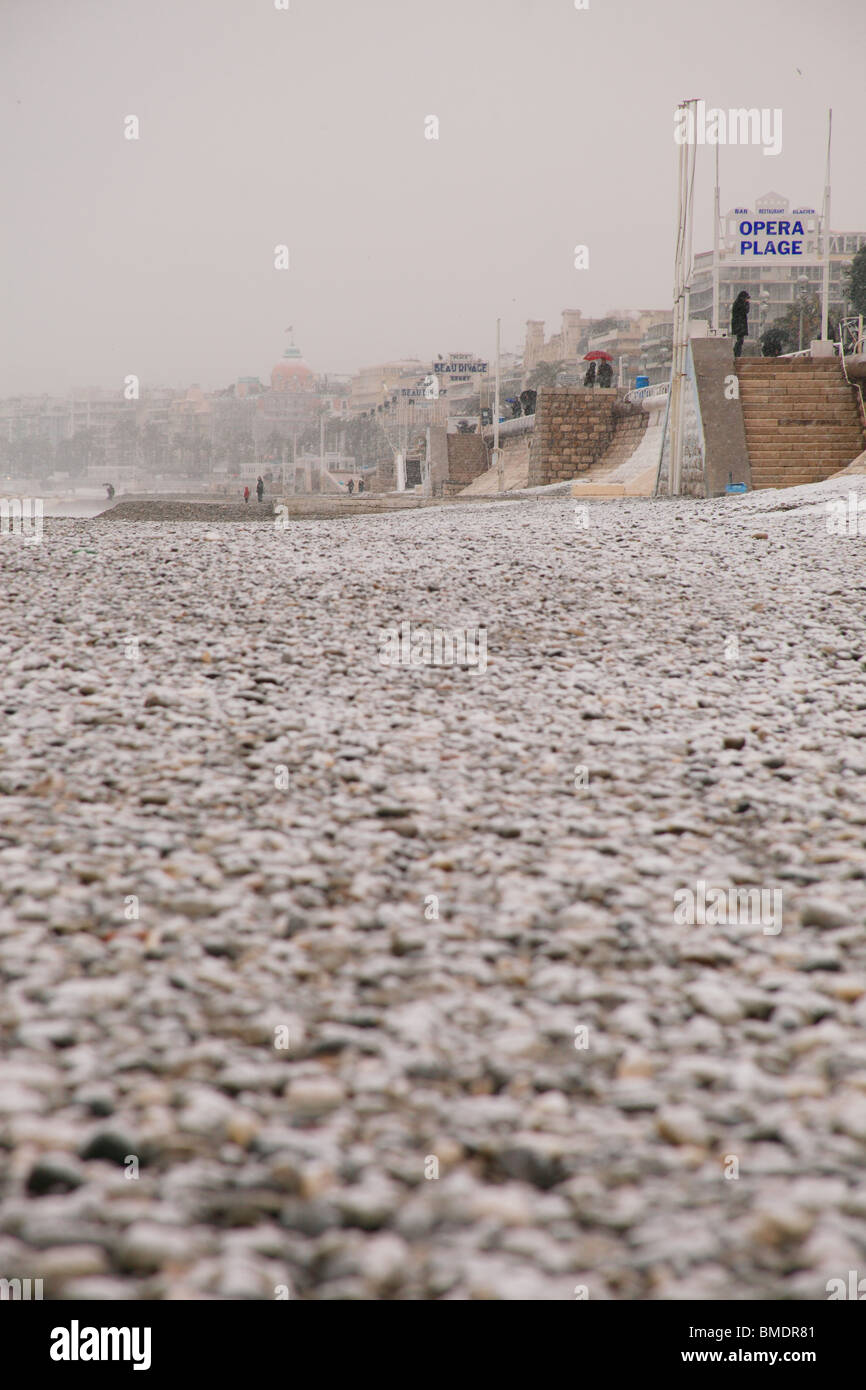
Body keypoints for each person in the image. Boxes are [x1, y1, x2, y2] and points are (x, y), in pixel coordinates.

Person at [731, 291, 750, 358]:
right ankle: (736, 354)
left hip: (738, 325)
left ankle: (737, 353)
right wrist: (747, 303)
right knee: (740, 340)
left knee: (740, 340)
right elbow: (746, 310)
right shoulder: (740, 303)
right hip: (739, 325)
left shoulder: (737, 303)